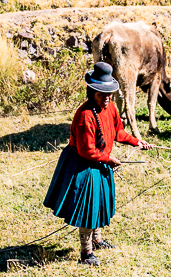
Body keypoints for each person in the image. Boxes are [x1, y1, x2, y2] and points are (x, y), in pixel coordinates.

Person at [43, 62, 146, 265]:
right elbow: (87, 150)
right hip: (84, 165)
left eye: (110, 93)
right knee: (89, 209)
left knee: (100, 203)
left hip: (100, 162)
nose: (107, 97)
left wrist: (137, 141)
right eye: (102, 93)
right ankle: (86, 253)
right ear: (92, 92)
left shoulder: (111, 108)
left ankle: (97, 240)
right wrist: (108, 158)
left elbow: (118, 132)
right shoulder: (85, 116)